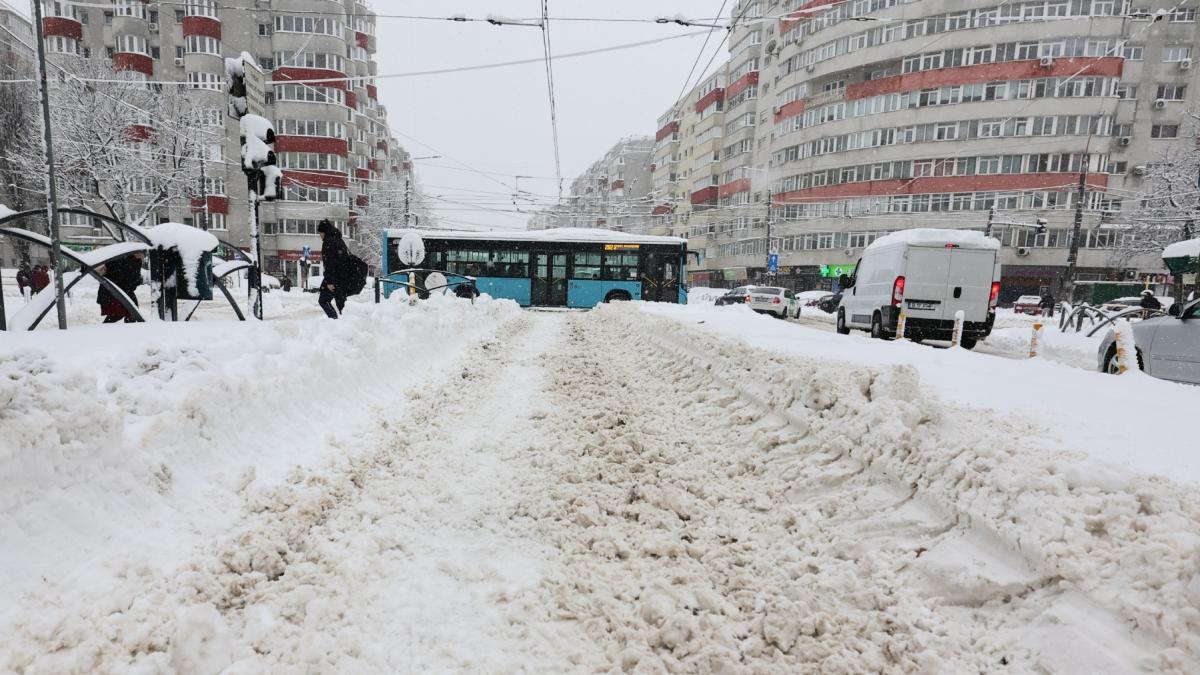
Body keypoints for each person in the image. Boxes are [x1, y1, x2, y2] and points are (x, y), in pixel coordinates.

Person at [96, 251, 145, 323]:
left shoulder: (137, 261)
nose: (140, 254)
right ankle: (103, 330)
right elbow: (109, 270)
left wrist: (136, 282)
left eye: (142, 252)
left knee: (130, 314)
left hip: (124, 291)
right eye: (137, 252)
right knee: (119, 314)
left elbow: (134, 277)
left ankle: (129, 331)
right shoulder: (122, 259)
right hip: (113, 291)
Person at [316, 219, 349, 319]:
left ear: (324, 232)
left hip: (335, 276)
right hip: (342, 275)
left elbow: (330, 263)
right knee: (338, 301)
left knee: (323, 300)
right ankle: (338, 323)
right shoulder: (338, 240)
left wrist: (330, 281)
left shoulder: (328, 242)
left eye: (320, 233)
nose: (320, 236)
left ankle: (334, 321)